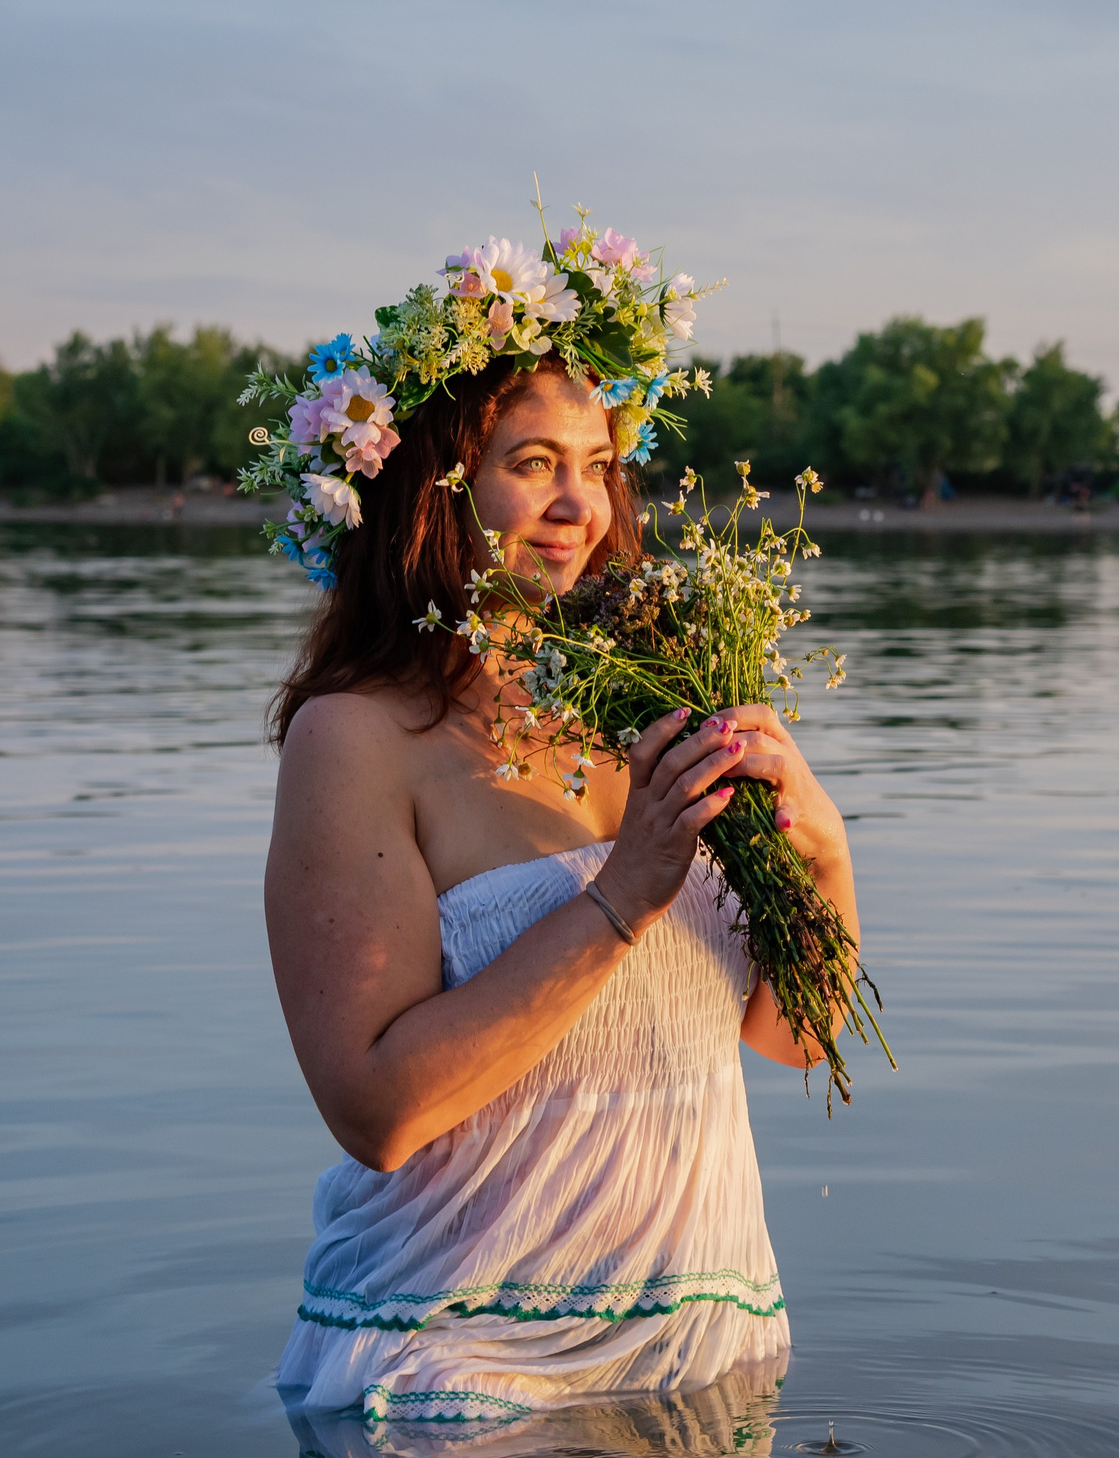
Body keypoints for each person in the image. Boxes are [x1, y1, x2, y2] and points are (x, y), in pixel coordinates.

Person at [257, 231, 861, 1434]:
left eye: (599, 461)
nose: (582, 504)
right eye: (534, 462)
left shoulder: (656, 700)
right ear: (432, 485)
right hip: (463, 1362)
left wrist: (823, 848)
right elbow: (378, 1108)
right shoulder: (357, 739)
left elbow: (796, 1036)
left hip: (708, 1343)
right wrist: (620, 895)